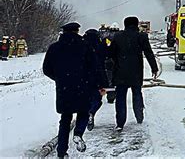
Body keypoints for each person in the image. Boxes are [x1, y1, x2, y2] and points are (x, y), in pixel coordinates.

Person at [42, 22, 97, 157]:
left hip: (64, 88)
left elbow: (46, 69)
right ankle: (78, 133)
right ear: (77, 31)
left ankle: (61, 153)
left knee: (65, 119)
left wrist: (60, 78)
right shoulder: (85, 46)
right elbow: (94, 68)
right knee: (84, 112)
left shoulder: (54, 48)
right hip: (82, 86)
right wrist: (93, 83)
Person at [110, 16, 159, 131]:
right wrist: (154, 68)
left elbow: (111, 53)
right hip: (136, 72)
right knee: (137, 93)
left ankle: (120, 123)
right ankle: (139, 116)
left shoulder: (117, 36)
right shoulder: (141, 36)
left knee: (120, 97)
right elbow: (148, 53)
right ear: (136, 24)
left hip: (120, 72)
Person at [83, 29, 109, 131]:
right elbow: (105, 59)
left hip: (83, 77)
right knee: (97, 99)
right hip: (97, 76)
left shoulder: (82, 46)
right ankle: (91, 112)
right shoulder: (100, 46)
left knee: (86, 99)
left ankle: (87, 114)